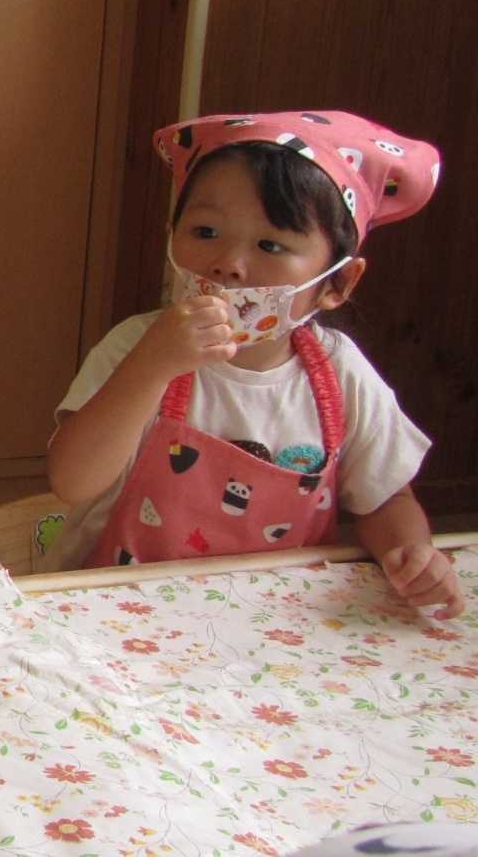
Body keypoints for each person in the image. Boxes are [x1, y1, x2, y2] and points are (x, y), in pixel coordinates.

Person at [43, 110, 462, 618]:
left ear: (338, 284)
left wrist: (410, 555)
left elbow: (382, 499)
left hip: (274, 626)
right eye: (205, 231)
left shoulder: (340, 373)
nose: (228, 263)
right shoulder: (135, 346)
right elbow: (72, 481)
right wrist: (151, 367)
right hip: (124, 614)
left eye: (270, 244)